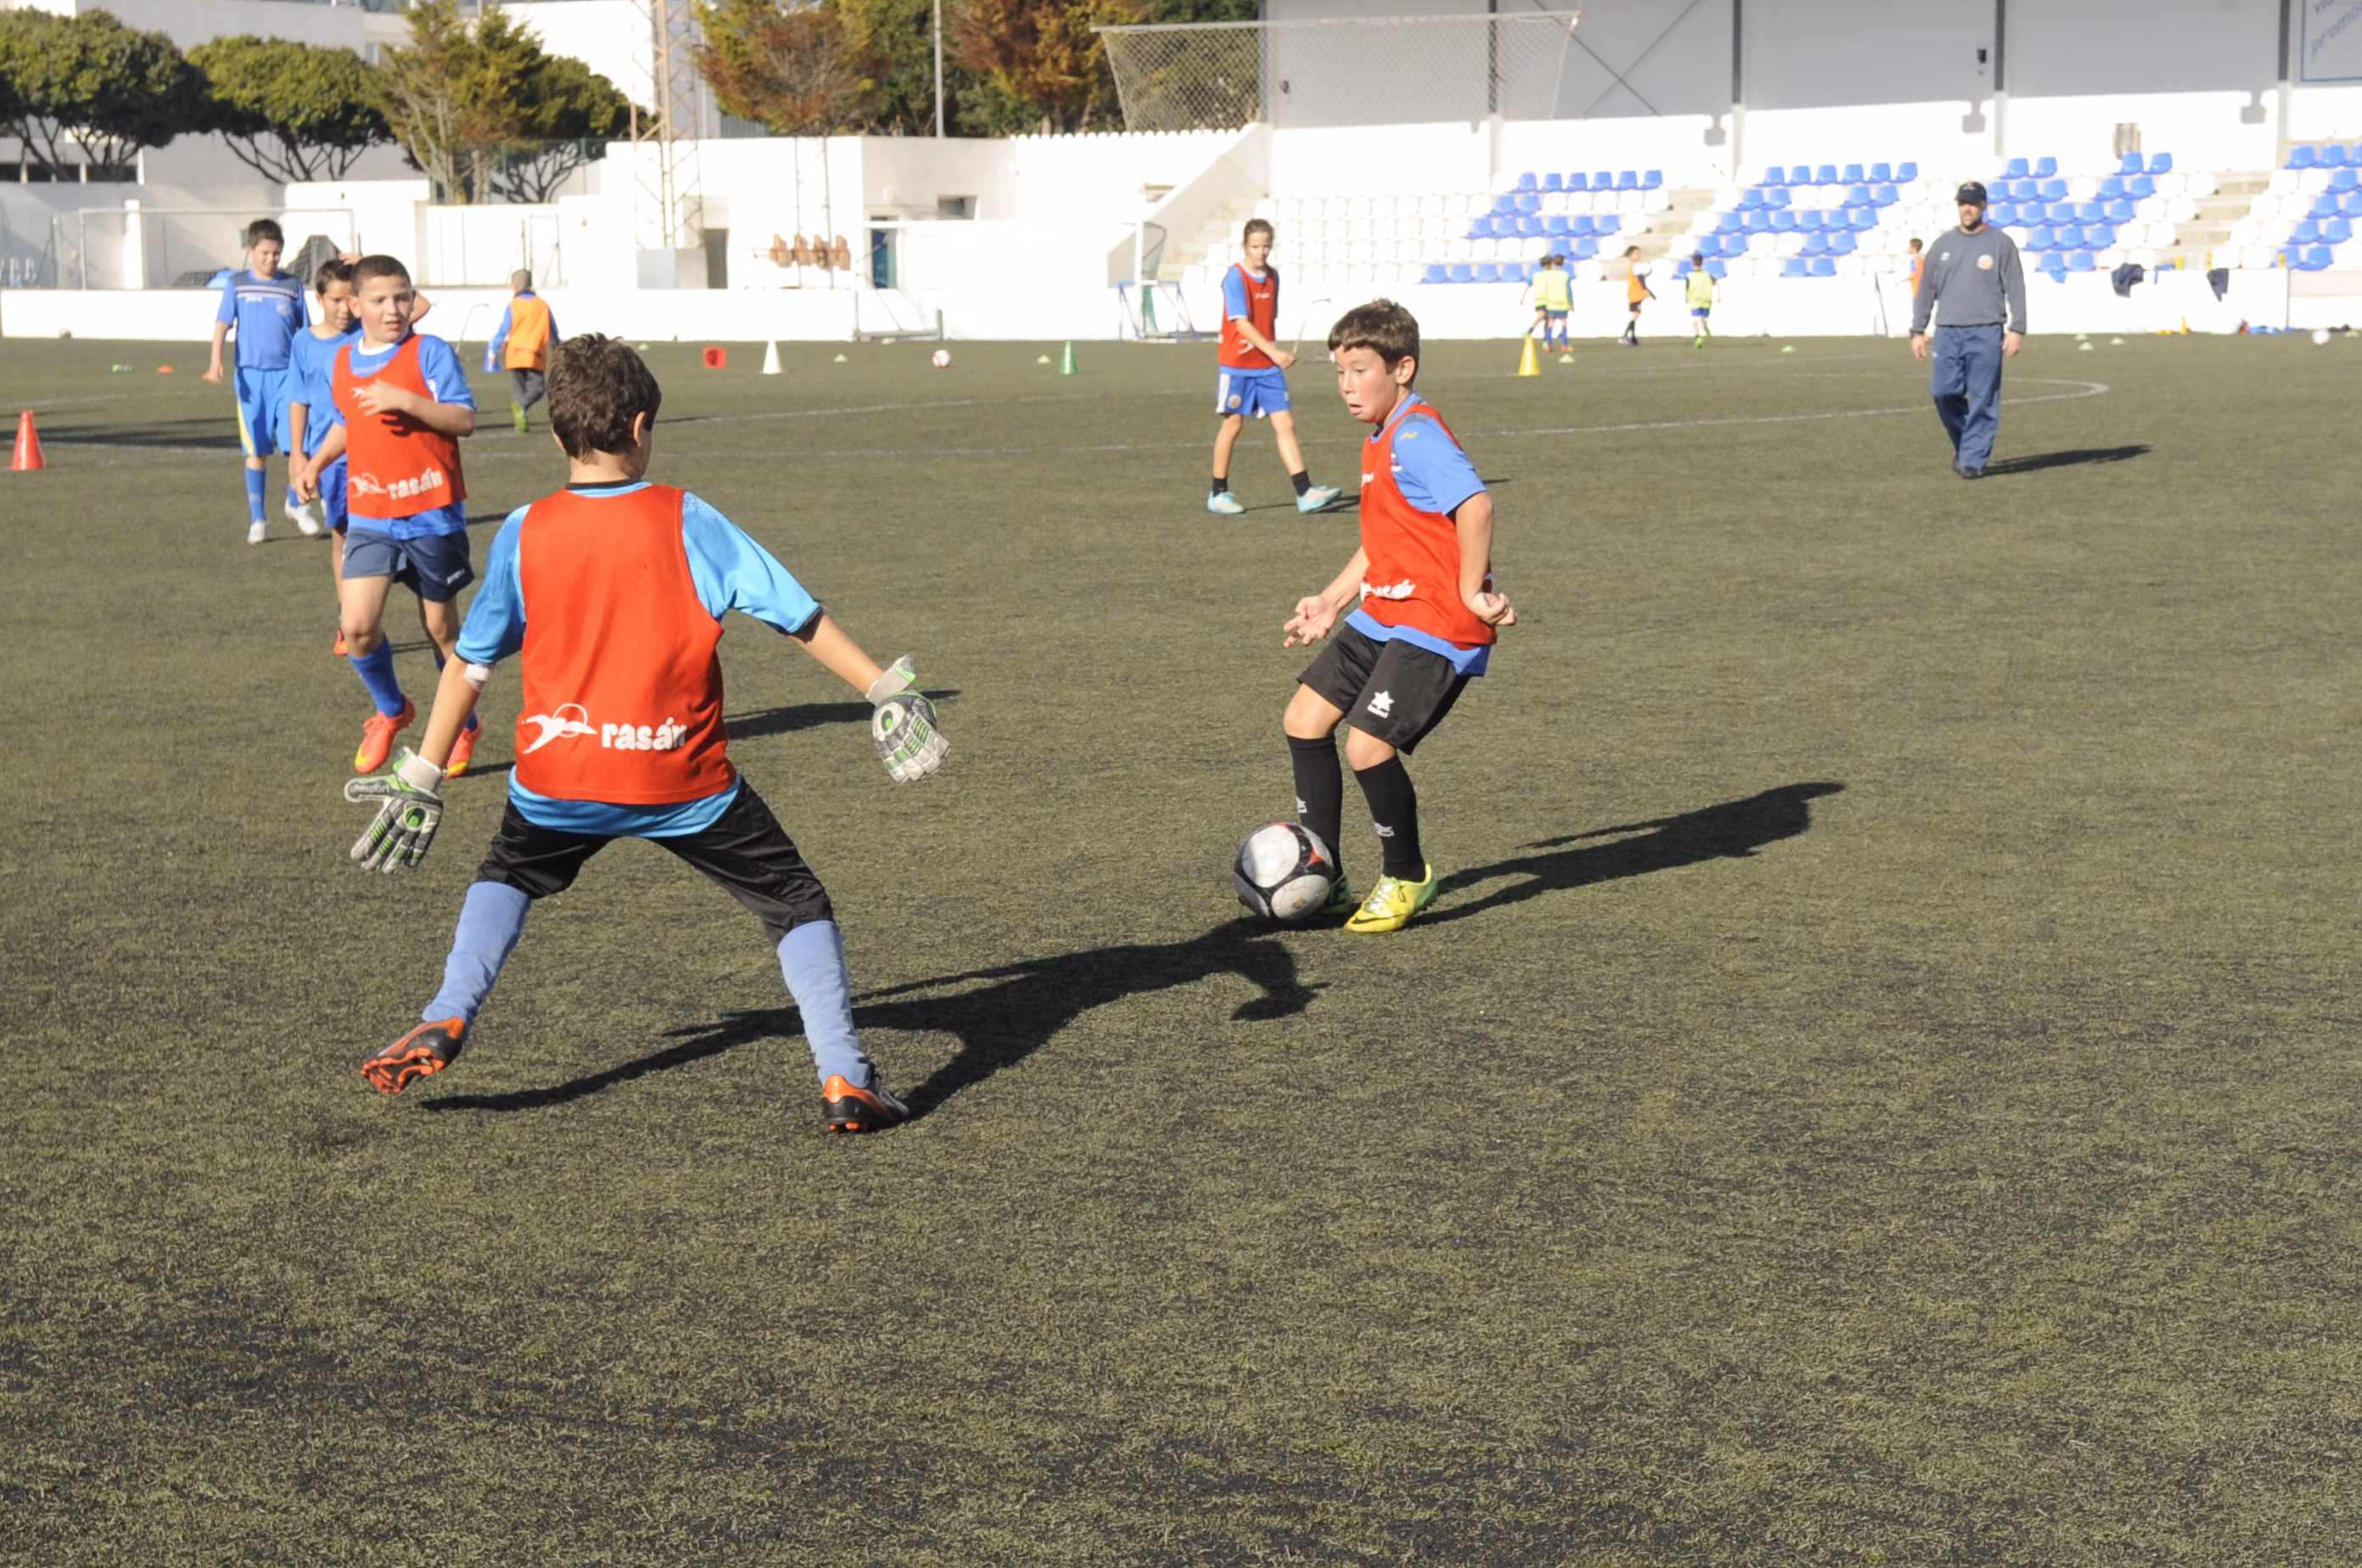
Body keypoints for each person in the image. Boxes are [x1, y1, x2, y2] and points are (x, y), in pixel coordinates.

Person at [340, 334, 948, 1134]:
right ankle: (844, 1073)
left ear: (557, 436)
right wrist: (881, 688)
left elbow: (471, 664)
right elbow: (797, 617)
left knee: (509, 873)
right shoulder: (686, 517)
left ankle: (448, 1012)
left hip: (559, 777)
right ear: (640, 427)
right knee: (795, 901)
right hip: (681, 783)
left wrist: (423, 773)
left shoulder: (525, 528)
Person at [1278, 300, 1515, 934]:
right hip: (1386, 610)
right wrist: (1332, 600)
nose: (1347, 385)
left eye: (1360, 370)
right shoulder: (1382, 436)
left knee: (1367, 746)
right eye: (1340, 372)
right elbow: (1386, 539)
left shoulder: (1414, 435)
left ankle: (1408, 876)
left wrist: (1472, 591)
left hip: (1437, 620)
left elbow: (1477, 506)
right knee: (1304, 719)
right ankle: (1322, 874)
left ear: (1401, 368)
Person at [296, 255, 485, 776]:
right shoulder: (342, 361)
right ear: (356, 305)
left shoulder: (430, 352)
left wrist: (404, 399)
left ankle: (464, 725)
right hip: (371, 514)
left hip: (432, 514)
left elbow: (464, 419)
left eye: (402, 297)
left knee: (441, 630)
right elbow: (346, 421)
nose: (394, 309)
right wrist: (315, 463)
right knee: (356, 626)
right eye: (379, 300)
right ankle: (392, 710)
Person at [1208, 218, 1341, 518]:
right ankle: (1218, 492)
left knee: (1286, 424)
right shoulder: (1234, 278)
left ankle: (1304, 492)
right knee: (1233, 425)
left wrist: (1272, 354)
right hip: (1238, 365)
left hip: (1266, 367)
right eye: (1255, 246)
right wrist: (1274, 352)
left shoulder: (1273, 277)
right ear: (1245, 246)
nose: (1261, 252)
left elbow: (1268, 321)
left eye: (1266, 246)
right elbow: (1241, 323)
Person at [204, 218, 313, 544]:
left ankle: (297, 504)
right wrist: (215, 361)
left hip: (288, 378)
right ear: (252, 251)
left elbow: (305, 332)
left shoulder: (291, 286)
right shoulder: (237, 284)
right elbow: (223, 324)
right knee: (256, 448)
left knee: (298, 446)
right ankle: (258, 519)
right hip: (251, 378)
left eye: (276, 253)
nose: (271, 259)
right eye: (265, 253)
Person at [1910, 182, 2027, 480]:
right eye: (1963, 203)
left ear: (1984, 206)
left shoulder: (2000, 243)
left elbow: (2015, 286)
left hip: (1987, 331)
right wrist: (1917, 330)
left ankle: (1973, 460)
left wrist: (2017, 328)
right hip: (1948, 331)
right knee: (1942, 391)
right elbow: (1926, 289)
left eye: (1973, 203)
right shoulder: (1942, 245)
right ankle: (1966, 445)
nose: (1967, 208)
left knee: (1983, 398)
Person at [287, 258, 361, 655]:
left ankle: (365, 614)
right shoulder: (304, 342)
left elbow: (418, 306)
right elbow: (298, 398)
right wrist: (297, 454)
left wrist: (365, 265)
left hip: (370, 453)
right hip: (330, 458)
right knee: (342, 538)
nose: (345, 308)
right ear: (318, 299)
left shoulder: (366, 332)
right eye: (336, 300)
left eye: (351, 299)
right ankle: (347, 618)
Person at [488, 268, 560, 434]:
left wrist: (494, 350)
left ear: (515, 285)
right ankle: (521, 407)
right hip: (534, 354)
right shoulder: (542, 305)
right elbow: (553, 331)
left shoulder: (513, 305)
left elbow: (504, 329)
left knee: (520, 390)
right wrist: (558, 349)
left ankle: (521, 423)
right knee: (538, 388)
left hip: (514, 355)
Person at [1525, 254, 1572, 356]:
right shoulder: (1563, 275)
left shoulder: (1548, 275)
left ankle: (1547, 343)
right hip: (1556, 302)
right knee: (1560, 322)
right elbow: (1568, 290)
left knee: (1550, 322)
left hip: (1550, 303)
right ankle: (1564, 345)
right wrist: (1571, 303)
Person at [1619, 246, 1654, 347]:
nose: (1639, 255)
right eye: (1637, 253)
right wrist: (1646, 290)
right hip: (1635, 295)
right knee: (1636, 316)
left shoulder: (1633, 266)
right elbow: (1640, 279)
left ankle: (1633, 339)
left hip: (1635, 294)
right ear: (1631, 255)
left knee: (1636, 315)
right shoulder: (1635, 267)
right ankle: (1624, 336)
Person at [1684, 253, 1717, 347]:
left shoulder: (1690, 275)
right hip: (1706, 301)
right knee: (1703, 320)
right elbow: (1717, 283)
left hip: (1695, 300)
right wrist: (1719, 296)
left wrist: (1686, 299)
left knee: (1695, 320)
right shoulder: (1707, 275)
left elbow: (1687, 288)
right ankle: (1704, 328)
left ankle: (1697, 337)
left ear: (1693, 263)